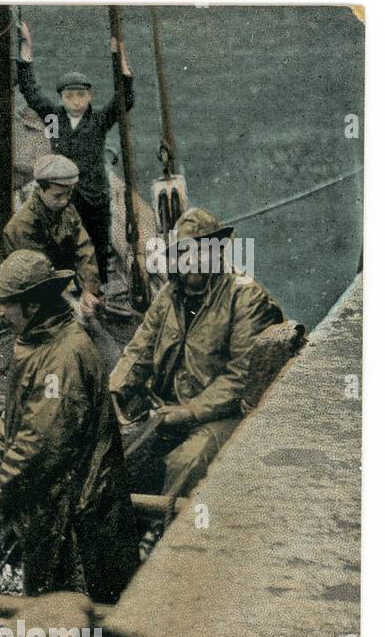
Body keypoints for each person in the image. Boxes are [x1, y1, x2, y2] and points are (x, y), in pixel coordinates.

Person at [0, 249, 140, 603]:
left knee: (88, 611)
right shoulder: (34, 342)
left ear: (32, 307)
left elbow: (40, 442)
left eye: (5, 303)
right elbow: (13, 417)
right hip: (54, 505)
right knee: (55, 610)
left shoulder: (63, 355)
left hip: (82, 511)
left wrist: (2, 496)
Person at [109, 208, 284, 498]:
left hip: (221, 413)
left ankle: (163, 530)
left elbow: (241, 375)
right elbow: (140, 350)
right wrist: (115, 391)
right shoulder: (169, 295)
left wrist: (190, 411)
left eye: (203, 251)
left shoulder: (245, 297)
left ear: (218, 253)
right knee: (117, 450)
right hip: (168, 406)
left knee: (187, 460)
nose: (193, 261)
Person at [16, 21, 133, 290]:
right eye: (70, 95)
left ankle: (98, 288)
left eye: (81, 95)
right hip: (63, 194)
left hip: (94, 193)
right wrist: (26, 49)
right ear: (62, 97)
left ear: (90, 97)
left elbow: (124, 99)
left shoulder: (99, 120)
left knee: (98, 241)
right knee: (63, 242)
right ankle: (67, 286)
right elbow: (30, 90)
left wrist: (121, 58)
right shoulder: (54, 118)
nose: (76, 100)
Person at [3, 154, 102, 316]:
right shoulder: (22, 226)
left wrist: (89, 290)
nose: (64, 201)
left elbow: (84, 250)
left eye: (68, 194)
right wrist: (72, 304)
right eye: (58, 196)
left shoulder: (66, 210)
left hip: (57, 279)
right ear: (41, 189)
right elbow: (38, 276)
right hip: (28, 291)